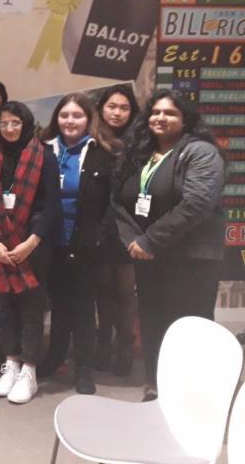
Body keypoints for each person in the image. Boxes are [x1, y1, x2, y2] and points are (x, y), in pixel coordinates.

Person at [112, 89, 225, 402]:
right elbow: (118, 200)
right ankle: (155, 384)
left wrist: (149, 240)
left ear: (185, 119)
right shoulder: (141, 153)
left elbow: (197, 204)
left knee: (189, 326)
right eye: (155, 112)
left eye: (170, 113)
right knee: (152, 321)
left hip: (191, 258)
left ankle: (194, 397)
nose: (160, 118)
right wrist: (133, 241)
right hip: (149, 257)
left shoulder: (200, 152)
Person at [0, 101, 61, 404]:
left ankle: (30, 371)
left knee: (32, 310)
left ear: (26, 124)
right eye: (4, 123)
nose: (10, 129)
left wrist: (30, 243)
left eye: (15, 123)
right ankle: (11, 364)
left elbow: (52, 206)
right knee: (6, 309)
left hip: (32, 247)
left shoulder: (45, 157)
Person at [38, 93, 116, 395]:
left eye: (77, 115)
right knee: (58, 304)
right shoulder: (44, 150)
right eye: (64, 115)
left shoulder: (103, 153)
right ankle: (55, 357)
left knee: (84, 306)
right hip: (49, 241)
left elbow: (113, 202)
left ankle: (84, 368)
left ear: (88, 119)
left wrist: (100, 235)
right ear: (56, 118)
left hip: (85, 242)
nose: (70, 121)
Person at [93, 84, 139, 375]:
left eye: (124, 107)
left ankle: (125, 347)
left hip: (128, 228)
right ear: (101, 108)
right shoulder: (91, 141)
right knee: (102, 291)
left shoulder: (140, 143)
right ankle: (103, 344)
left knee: (124, 292)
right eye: (112, 106)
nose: (117, 112)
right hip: (97, 227)